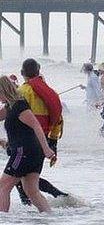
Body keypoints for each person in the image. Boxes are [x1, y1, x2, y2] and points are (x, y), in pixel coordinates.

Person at [0, 76, 56, 212]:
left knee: (3, 187)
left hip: (24, 152)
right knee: (31, 191)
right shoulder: (10, 106)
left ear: (3, 90)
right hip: (31, 153)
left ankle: (3, 219)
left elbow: (36, 126)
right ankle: (50, 217)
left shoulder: (19, 106)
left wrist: (47, 149)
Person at [17, 58, 68, 205]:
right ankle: (56, 198)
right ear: (39, 72)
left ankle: (33, 205)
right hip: (43, 138)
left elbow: (12, 114)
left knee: (18, 177)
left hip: (26, 140)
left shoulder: (23, 91)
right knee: (26, 177)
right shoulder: (49, 91)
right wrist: (53, 143)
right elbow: (58, 118)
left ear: (22, 73)